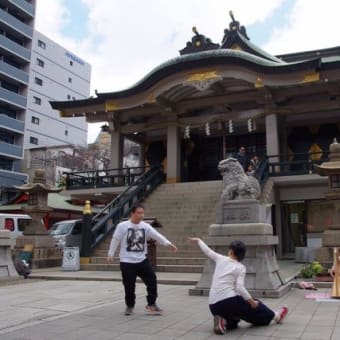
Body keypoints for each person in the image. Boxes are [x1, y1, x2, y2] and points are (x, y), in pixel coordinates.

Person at [187, 237, 288, 335]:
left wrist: (199, 241)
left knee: (235, 322)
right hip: (229, 302)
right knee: (257, 305)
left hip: (213, 306)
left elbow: (208, 252)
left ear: (230, 251)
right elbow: (240, 288)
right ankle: (277, 316)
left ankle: (223, 322)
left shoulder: (220, 259)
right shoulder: (240, 267)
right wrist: (252, 302)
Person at [107, 204, 177, 316]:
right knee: (129, 286)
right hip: (127, 261)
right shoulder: (122, 226)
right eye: (139, 213)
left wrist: (168, 244)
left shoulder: (145, 226)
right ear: (132, 213)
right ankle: (129, 306)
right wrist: (111, 253)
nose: (141, 215)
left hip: (142, 260)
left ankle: (151, 304)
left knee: (152, 280)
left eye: (142, 213)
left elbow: (157, 235)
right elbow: (116, 239)